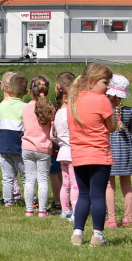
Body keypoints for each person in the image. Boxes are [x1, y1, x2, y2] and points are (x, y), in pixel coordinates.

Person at [67, 63, 117, 247]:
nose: (107, 87)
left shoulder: (73, 99)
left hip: (79, 155)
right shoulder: (102, 100)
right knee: (97, 196)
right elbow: (112, 127)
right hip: (99, 155)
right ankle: (97, 235)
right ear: (91, 82)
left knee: (83, 195)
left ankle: (77, 233)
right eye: (105, 83)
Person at [105, 74, 132, 228]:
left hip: (110, 150)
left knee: (109, 186)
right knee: (127, 185)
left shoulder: (105, 111)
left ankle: (111, 219)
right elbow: (130, 130)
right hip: (125, 151)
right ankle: (128, 218)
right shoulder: (129, 111)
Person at [21, 76, 55, 217]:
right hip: (44, 148)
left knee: (29, 179)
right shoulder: (50, 108)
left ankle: (29, 210)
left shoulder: (26, 107)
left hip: (27, 147)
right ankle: (42, 210)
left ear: (31, 91)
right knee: (42, 180)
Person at [0, 73, 28, 207]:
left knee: (7, 177)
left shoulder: (1, 106)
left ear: (8, 89)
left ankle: (8, 202)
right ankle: (30, 202)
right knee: (26, 177)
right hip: (19, 147)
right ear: (26, 92)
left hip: (4, 146)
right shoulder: (25, 107)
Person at [52, 71, 77, 221]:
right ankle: (75, 212)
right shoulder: (72, 113)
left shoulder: (57, 113)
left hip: (62, 153)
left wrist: (60, 142)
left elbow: (52, 135)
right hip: (73, 153)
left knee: (65, 184)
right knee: (75, 185)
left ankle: (65, 210)